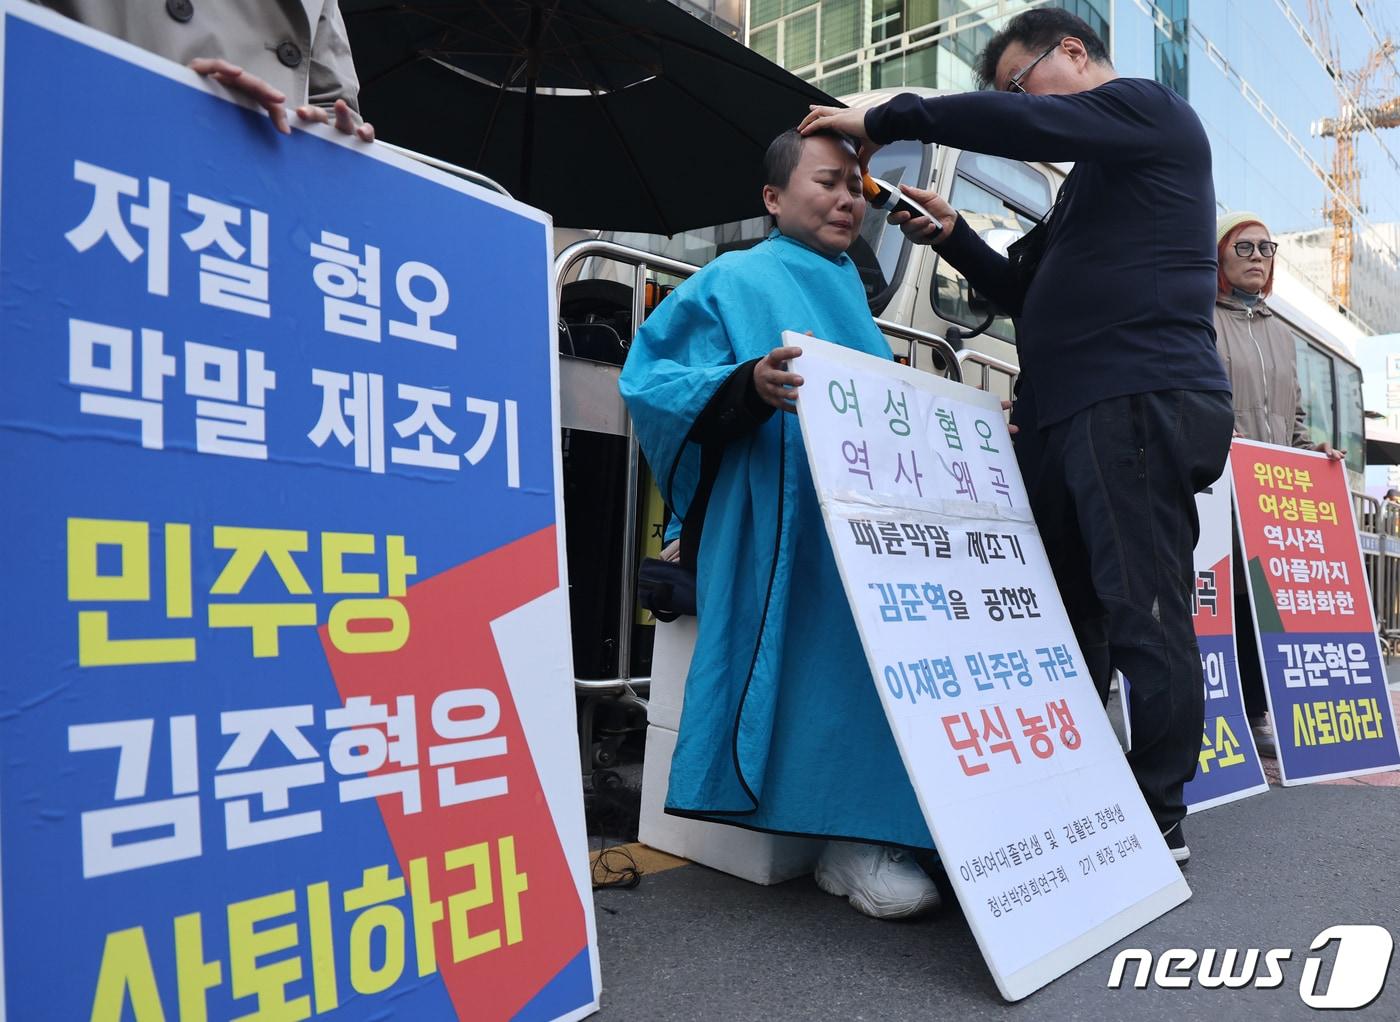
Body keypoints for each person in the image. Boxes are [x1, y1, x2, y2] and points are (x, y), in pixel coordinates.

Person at [799, 8, 1234, 865]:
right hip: (1066, 411)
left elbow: (1032, 122)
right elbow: (1028, 297)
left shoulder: (1152, 111)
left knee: (1141, 608)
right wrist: (953, 237)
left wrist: (887, 117)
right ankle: (1077, 780)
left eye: (1016, 81)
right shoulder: (1088, 192)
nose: (1014, 101)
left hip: (1137, 395)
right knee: (1068, 611)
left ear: (1072, 52)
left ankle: (1159, 808)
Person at [618, 128, 941, 919]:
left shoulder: (849, 292)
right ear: (772, 198)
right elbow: (652, 379)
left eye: (856, 190)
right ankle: (855, 843)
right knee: (827, 662)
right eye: (828, 182)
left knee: (863, 661)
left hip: (851, 522)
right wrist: (742, 384)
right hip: (767, 507)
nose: (845, 201)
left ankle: (860, 835)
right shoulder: (733, 275)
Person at [1214, 211, 1345, 757]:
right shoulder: (1200, 318)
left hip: (1271, 492)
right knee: (1221, 596)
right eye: (1244, 248)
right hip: (1215, 481)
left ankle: (1259, 710)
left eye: (1266, 249)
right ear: (1218, 256)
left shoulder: (1282, 334)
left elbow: (1292, 416)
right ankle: (1214, 710)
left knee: (1263, 598)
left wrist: (1310, 452)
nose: (1258, 259)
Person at [33, 0, 374, 140]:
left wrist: (326, 134)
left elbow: (333, 103)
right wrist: (171, 91)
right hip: (98, 153)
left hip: (257, 199)